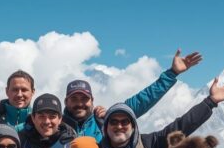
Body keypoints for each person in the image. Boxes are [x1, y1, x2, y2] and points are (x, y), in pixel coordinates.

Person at [62, 50, 203, 141]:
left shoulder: (107, 121)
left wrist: (172, 73)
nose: (79, 104)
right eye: (74, 99)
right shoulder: (54, 127)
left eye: (84, 99)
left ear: (92, 101)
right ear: (65, 102)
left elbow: (142, 100)